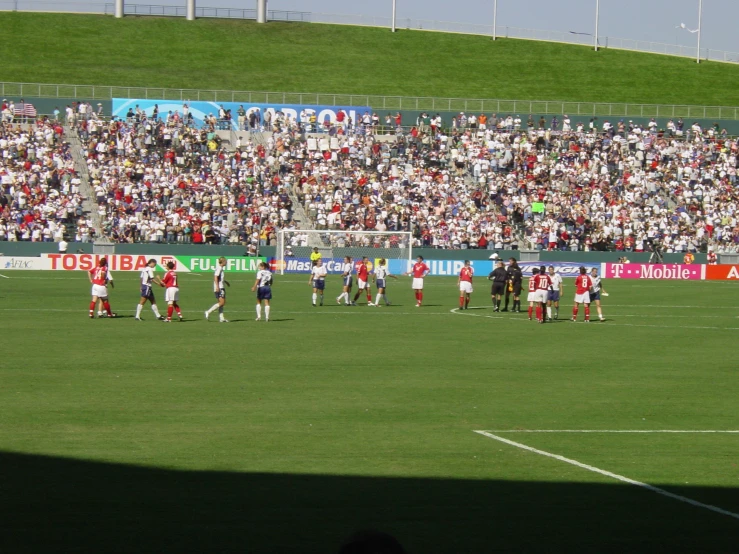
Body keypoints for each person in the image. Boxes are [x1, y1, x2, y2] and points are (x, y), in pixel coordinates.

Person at [205, 257, 230, 322]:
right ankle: (208, 312)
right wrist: (217, 286)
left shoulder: (220, 268)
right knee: (222, 302)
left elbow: (219, 278)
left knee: (221, 303)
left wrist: (225, 281)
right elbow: (215, 277)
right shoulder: (219, 268)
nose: (226, 262)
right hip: (220, 287)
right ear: (223, 262)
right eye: (225, 261)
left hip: (220, 286)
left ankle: (221, 318)